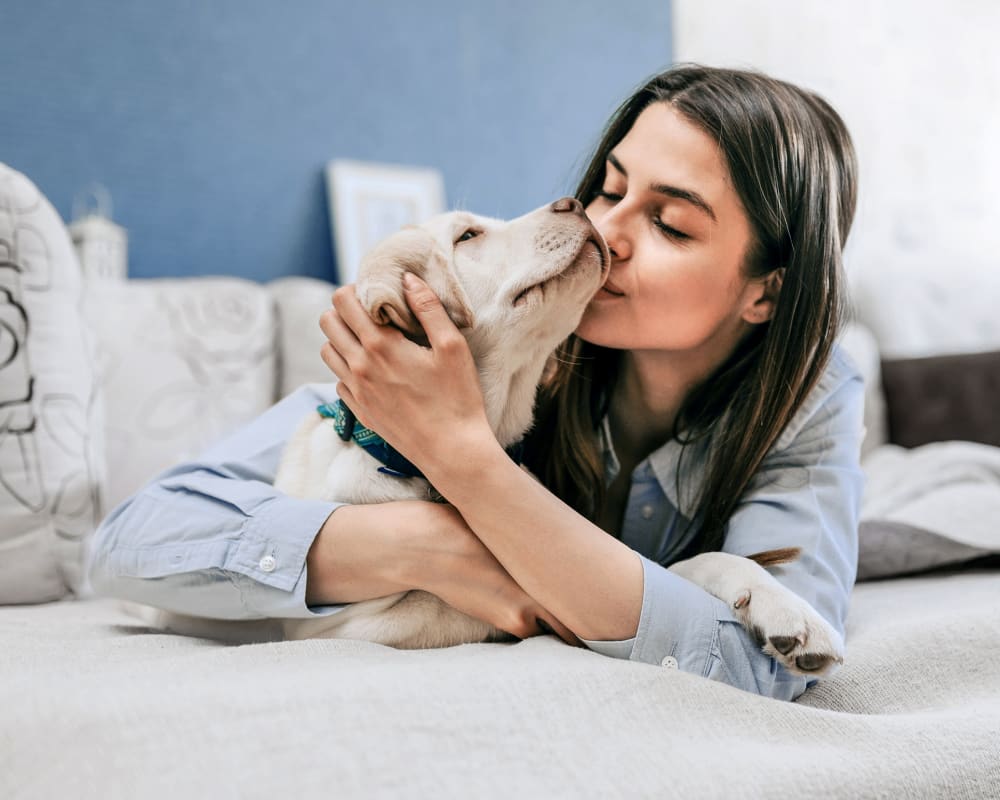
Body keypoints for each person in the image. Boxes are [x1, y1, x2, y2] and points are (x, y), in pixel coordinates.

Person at [88, 64, 864, 701]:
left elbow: (762, 666)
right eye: (611, 187)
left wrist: (466, 460)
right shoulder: (490, 346)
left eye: (670, 223)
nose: (608, 229)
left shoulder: (814, 395)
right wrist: (429, 544)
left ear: (767, 289)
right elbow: (130, 542)